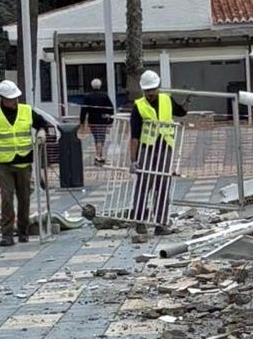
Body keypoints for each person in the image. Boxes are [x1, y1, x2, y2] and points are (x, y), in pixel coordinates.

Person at [0, 79, 54, 246]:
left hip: (24, 162)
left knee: (24, 198)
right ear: (2, 98)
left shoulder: (27, 111)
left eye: (15, 98)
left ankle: (23, 231)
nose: (14, 101)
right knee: (7, 198)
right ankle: (7, 235)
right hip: (3, 163)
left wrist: (42, 132)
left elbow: (42, 124)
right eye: (10, 98)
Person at [128, 70, 186, 243]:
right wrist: (133, 160)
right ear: (143, 90)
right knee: (144, 184)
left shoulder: (167, 99)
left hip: (165, 146)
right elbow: (134, 136)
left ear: (158, 88)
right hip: (147, 148)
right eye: (147, 91)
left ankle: (160, 223)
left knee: (162, 184)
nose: (150, 93)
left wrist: (187, 101)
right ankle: (139, 221)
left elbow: (181, 112)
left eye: (152, 89)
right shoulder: (139, 106)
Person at [78, 79, 115, 165]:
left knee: (97, 138)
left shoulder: (88, 97)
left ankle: (99, 155)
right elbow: (110, 108)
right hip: (102, 121)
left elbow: (84, 110)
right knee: (101, 137)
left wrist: (82, 122)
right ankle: (98, 156)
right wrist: (111, 120)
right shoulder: (104, 96)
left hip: (92, 121)